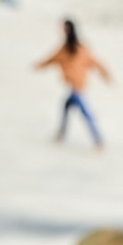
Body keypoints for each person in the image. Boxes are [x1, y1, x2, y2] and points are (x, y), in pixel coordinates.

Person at [34, 19, 110, 148]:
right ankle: (62, 135)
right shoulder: (68, 48)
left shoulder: (78, 48)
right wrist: (40, 65)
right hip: (73, 87)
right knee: (66, 107)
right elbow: (51, 59)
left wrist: (105, 74)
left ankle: (98, 141)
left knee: (86, 113)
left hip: (77, 88)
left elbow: (95, 62)